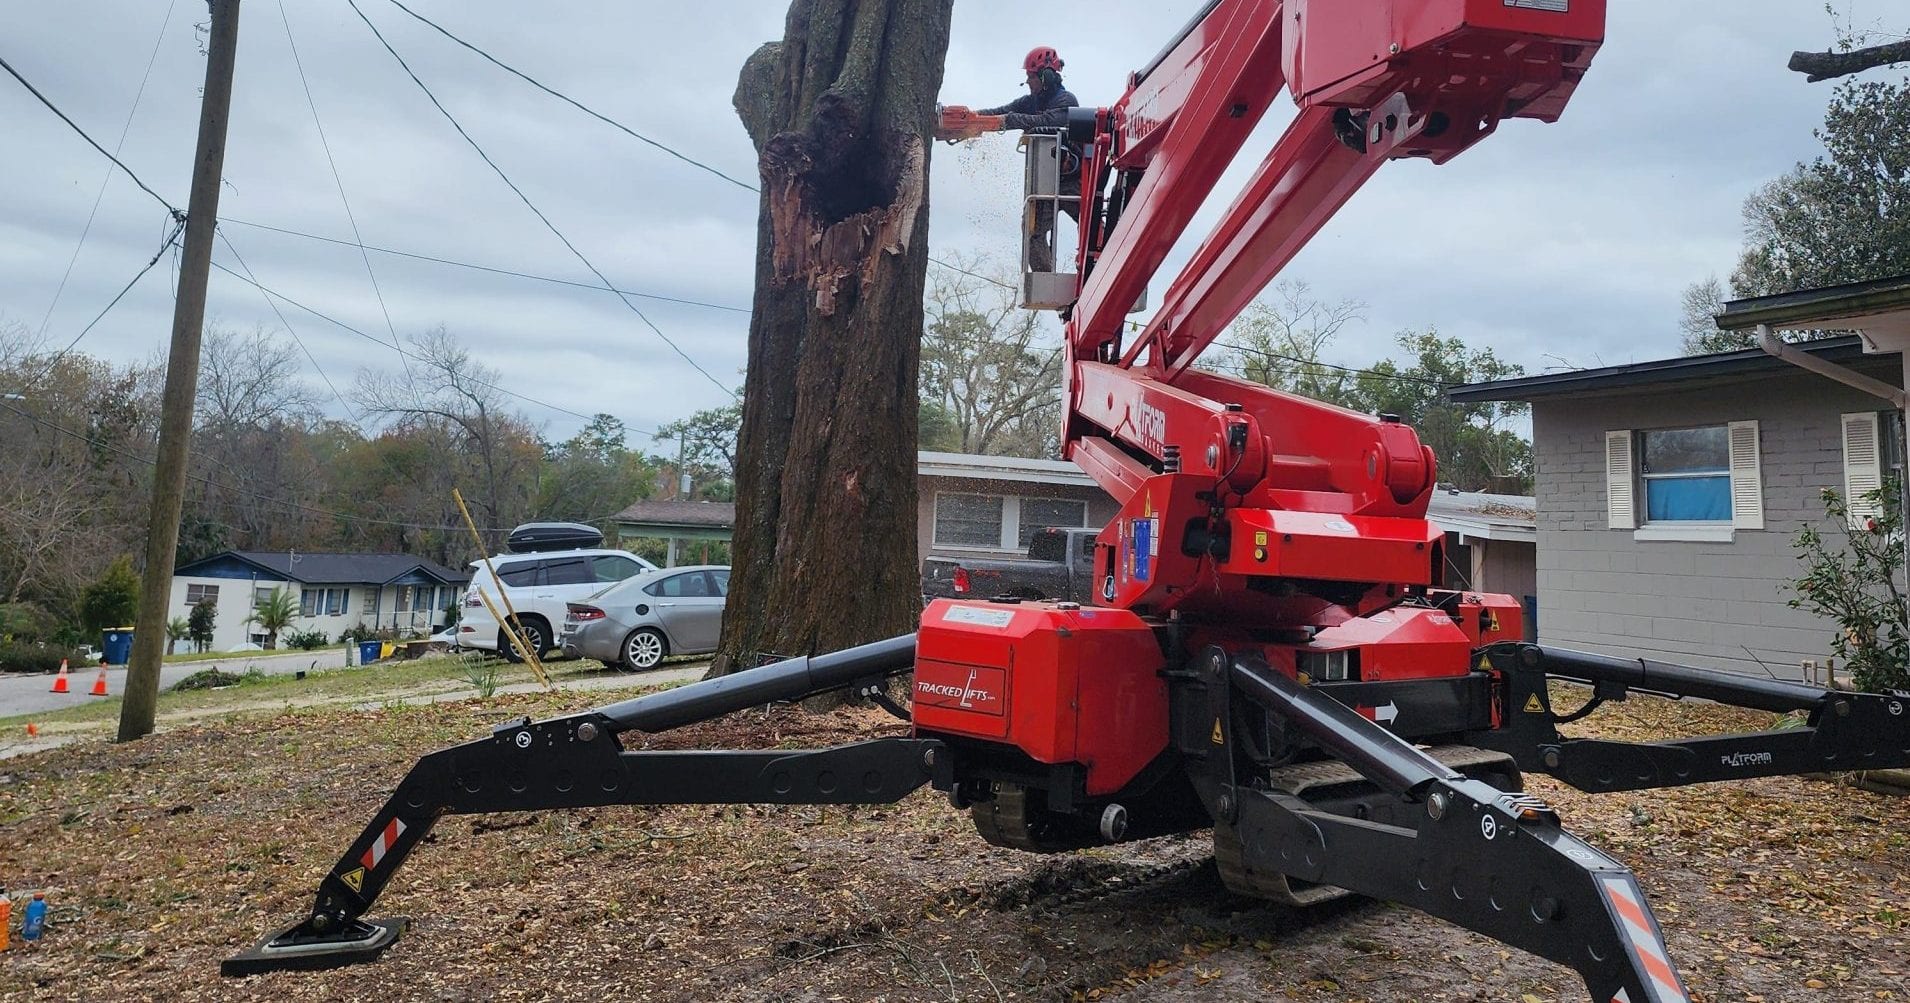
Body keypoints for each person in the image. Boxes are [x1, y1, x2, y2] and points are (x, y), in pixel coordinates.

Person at [976, 47, 1081, 272]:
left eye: (1031, 77)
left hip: (1074, 181)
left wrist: (1009, 120)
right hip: (1045, 181)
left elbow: (1047, 121)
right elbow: (1001, 112)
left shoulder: (1066, 101)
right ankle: (1046, 280)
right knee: (1032, 230)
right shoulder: (1030, 101)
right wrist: (972, 119)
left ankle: (1101, 269)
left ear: (1046, 76)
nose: (1028, 81)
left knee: (1092, 229)